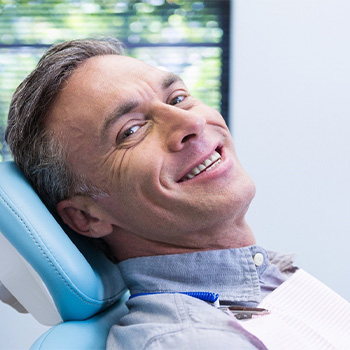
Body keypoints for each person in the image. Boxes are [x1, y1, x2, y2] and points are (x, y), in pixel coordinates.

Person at [3, 38, 327, 349]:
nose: (191, 122)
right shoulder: (193, 341)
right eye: (130, 131)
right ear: (87, 216)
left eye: (177, 98)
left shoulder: (261, 279)